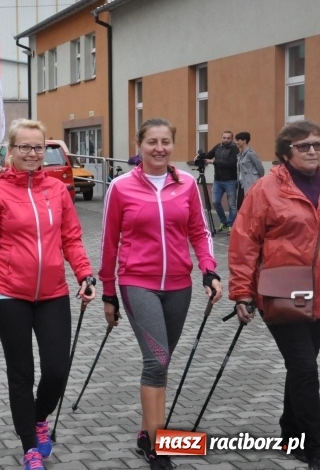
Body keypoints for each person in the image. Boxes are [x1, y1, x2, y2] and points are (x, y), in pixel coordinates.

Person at [0, 119, 95, 469]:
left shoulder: (56, 190)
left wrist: (84, 273)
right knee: (21, 373)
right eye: (24, 147)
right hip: (9, 294)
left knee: (57, 370)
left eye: (38, 147)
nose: (31, 153)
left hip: (53, 293)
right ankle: (29, 445)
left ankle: (38, 417)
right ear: (11, 151)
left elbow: (71, 238)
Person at [100, 118, 221, 470]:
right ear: (139, 145)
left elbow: (200, 231)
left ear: (173, 145)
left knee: (162, 361)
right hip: (137, 283)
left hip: (179, 285)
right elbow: (108, 243)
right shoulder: (120, 187)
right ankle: (157, 446)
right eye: (152, 141)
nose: (159, 148)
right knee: (156, 361)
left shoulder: (186, 184)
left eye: (165, 141)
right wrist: (108, 292)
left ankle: (146, 432)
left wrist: (209, 269)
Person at [229, 120, 320, 469]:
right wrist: (242, 292)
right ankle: (314, 446)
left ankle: (290, 433)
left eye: (317, 145)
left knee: (301, 367)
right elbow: (244, 242)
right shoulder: (266, 189)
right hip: (284, 287)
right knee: (304, 368)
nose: (312, 151)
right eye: (303, 146)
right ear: (285, 153)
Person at [200, 130, 239, 232]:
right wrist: (200, 157)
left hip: (230, 180)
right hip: (217, 180)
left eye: (228, 138)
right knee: (215, 202)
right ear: (221, 138)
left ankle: (231, 225)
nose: (226, 140)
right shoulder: (218, 147)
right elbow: (209, 155)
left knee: (232, 204)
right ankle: (224, 222)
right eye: (224, 138)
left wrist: (213, 162)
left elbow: (231, 163)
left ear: (232, 139)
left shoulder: (234, 149)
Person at [235, 131, 265, 207]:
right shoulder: (240, 154)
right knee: (240, 205)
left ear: (244, 141)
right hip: (241, 184)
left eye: (238, 140)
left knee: (249, 205)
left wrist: (257, 181)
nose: (236, 142)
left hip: (250, 183)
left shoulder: (250, 153)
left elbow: (260, 168)